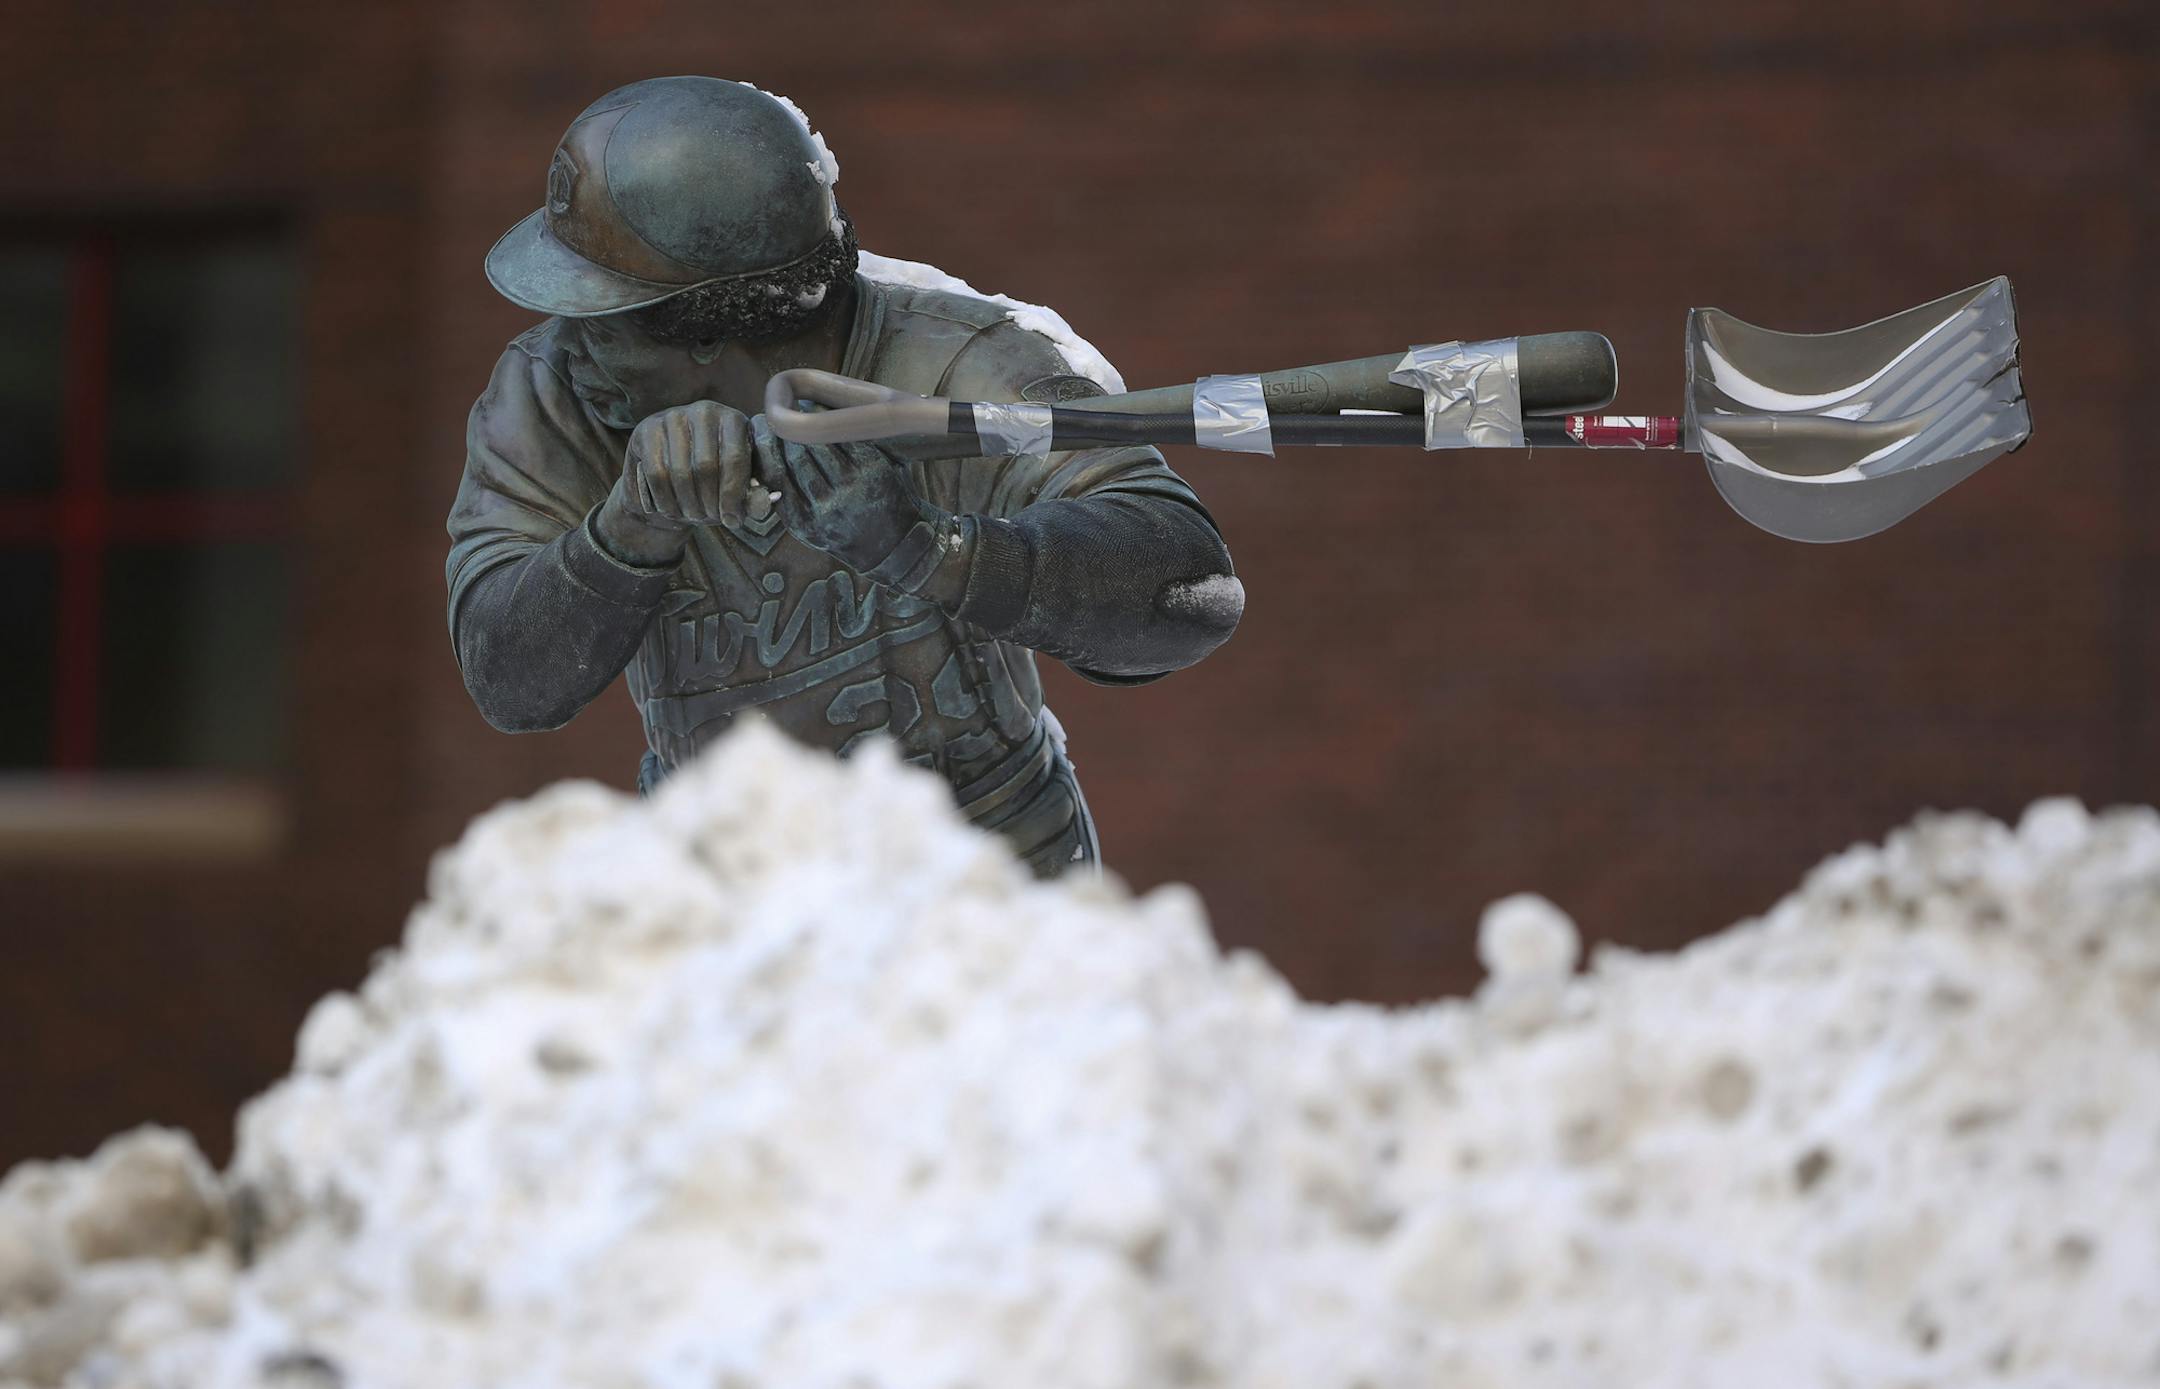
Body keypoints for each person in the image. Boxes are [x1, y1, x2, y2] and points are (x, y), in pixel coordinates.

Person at [446, 76, 1241, 878]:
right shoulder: (555, 395)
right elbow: (506, 676)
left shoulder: (954, 362)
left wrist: (935, 552)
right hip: (724, 902)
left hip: (985, 888)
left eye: (604, 320)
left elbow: (1191, 589)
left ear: (710, 331)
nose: (567, 344)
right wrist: (625, 533)